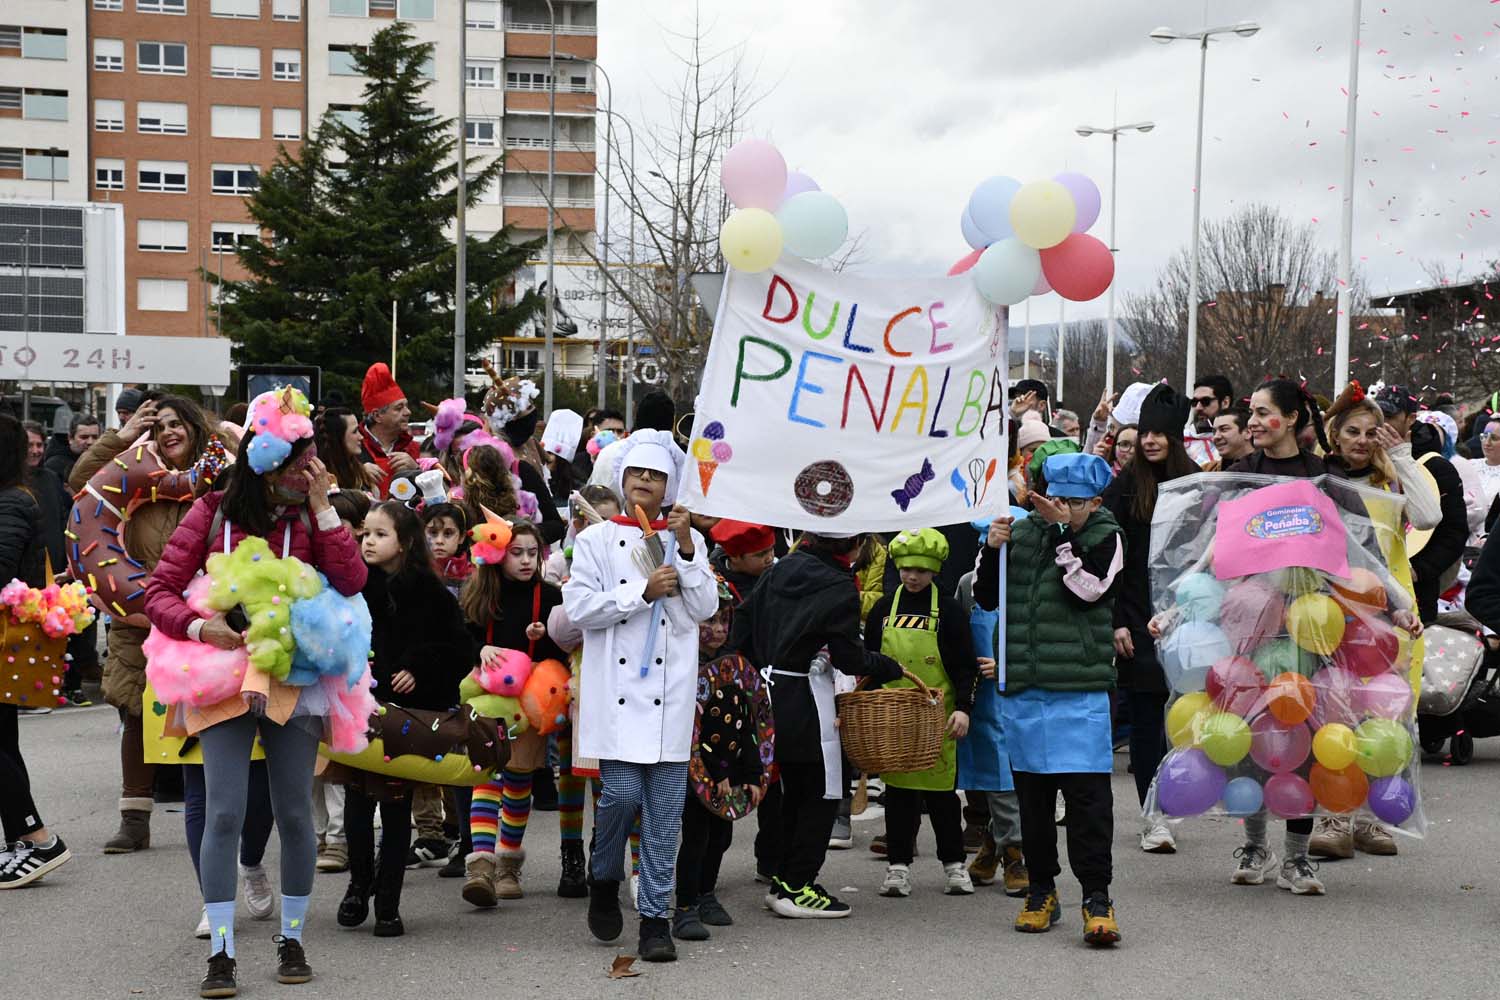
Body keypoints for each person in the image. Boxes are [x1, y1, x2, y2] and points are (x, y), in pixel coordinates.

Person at [146, 387, 367, 997]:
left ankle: (292, 939)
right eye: (302, 460)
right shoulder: (212, 510)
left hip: (294, 673)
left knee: (296, 813)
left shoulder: (310, 515)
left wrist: (324, 506)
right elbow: (158, 591)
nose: (311, 469)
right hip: (221, 674)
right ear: (269, 459)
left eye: (314, 459)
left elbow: (352, 579)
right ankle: (220, 951)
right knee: (223, 812)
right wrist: (200, 626)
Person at [565, 429, 719, 960]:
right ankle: (603, 873)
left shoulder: (684, 543)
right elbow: (580, 609)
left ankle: (656, 920)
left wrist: (688, 549)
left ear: (669, 485)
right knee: (622, 798)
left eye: (655, 477)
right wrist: (640, 592)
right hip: (616, 696)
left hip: (671, 697)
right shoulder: (596, 540)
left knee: (664, 817)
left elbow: (703, 608)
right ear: (623, 478)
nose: (644, 484)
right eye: (637, 475)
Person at [975, 452, 1125, 946]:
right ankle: (1041, 890)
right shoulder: (1018, 532)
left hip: (1079, 691)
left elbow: (1089, 591)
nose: (1062, 507)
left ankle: (1096, 897)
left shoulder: (1105, 535)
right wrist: (991, 549)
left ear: (1095, 501)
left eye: (1075, 502)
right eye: (1056, 498)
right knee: (1033, 804)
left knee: (1087, 804)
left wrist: (1063, 535)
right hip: (1025, 689)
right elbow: (989, 598)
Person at [68, 395, 220, 854]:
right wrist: (126, 435)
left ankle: (214, 809)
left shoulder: (220, 476)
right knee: (134, 710)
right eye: (162, 426)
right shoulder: (136, 468)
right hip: (137, 612)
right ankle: (134, 818)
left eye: (178, 424)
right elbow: (80, 483)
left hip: (202, 614)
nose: (169, 432)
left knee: (207, 710)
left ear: (195, 428)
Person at [731, 528, 904, 920]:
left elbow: (743, 622)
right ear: (855, 545)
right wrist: (887, 666)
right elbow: (849, 657)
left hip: (765, 691)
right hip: (806, 696)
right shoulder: (839, 585)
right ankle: (797, 885)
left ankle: (782, 876)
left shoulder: (780, 568)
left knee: (791, 791)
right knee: (824, 793)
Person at [1309, 381, 1441, 860]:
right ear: (1335, 435)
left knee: (1385, 714)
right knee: (1335, 711)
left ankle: (1369, 818)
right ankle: (1334, 815)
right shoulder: (1321, 482)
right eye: (1353, 431)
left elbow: (1428, 517)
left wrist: (1402, 456)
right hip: (1330, 614)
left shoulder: (1389, 481)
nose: (1362, 440)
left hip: (1390, 617)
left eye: (1371, 432)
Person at [338, 501, 472, 938]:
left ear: (405, 542)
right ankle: (359, 885)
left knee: (396, 811)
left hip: (407, 719)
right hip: (361, 707)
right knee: (358, 806)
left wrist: (419, 666)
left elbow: (457, 649)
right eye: (366, 534)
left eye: (380, 534)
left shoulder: (430, 592)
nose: (369, 541)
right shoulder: (357, 587)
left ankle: (389, 902)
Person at [1224, 378, 1329, 895]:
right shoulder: (1238, 475)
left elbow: (1350, 551)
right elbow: (1210, 548)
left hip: (1309, 625)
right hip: (1251, 625)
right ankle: (1254, 844)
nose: (1253, 422)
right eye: (1250, 412)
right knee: (1250, 733)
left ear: (1290, 418)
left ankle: (1298, 857)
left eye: (1263, 412)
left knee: (1300, 733)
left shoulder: (1322, 477)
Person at [1101, 384, 1196, 854]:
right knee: (1142, 718)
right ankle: (1152, 814)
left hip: (1188, 615)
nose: (1151, 440)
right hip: (1136, 614)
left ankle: (1179, 797)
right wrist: (1117, 619)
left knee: (1180, 716)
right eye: (1145, 433)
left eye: (1161, 433)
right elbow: (1108, 556)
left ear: (1176, 437)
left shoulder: (1196, 483)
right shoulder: (1123, 485)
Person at [866, 528, 979, 899]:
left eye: (920, 570)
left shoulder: (948, 611)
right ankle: (898, 867)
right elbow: (868, 665)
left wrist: (963, 709)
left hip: (938, 719)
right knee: (898, 796)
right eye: (906, 569)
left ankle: (954, 865)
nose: (912, 577)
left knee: (943, 797)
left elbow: (965, 667)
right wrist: (859, 706)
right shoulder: (883, 609)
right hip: (893, 718)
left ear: (934, 572)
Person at [460, 519, 567, 907]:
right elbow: (460, 637)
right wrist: (479, 651)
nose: (525, 561)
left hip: (530, 704)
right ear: (498, 555)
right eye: (516, 553)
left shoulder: (551, 596)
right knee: (487, 779)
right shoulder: (480, 594)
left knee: (519, 782)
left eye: (532, 553)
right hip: (488, 702)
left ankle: (508, 863)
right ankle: (482, 867)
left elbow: (565, 650)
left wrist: (548, 637)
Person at [0, 413, 73, 889]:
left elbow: (2, 567)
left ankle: (38, 837)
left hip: (3, 638)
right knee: (4, 743)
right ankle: (24, 840)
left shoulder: (10, 501)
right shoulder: (15, 497)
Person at [670, 578, 762, 941]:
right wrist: (716, 770)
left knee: (721, 836)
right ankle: (686, 904)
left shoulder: (736, 667)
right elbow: (692, 729)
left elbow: (750, 725)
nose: (719, 629)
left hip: (731, 772)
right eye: (710, 621)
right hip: (696, 771)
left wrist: (752, 773)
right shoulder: (682, 668)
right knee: (697, 836)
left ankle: (708, 893)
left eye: (725, 620)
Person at [313, 491, 372, 877]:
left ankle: (339, 837)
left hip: (346, 672)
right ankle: (319, 833)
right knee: (309, 760)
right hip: (310, 664)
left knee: (338, 754)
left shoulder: (359, 569)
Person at [1374, 385, 1467, 623]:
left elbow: (1454, 533)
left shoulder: (1436, 466)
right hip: (1368, 589)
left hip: (1415, 593)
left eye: (1391, 417)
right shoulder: (1365, 456)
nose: (1382, 424)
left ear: (1410, 419)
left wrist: (1418, 571)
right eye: (1378, 416)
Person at [359, 363, 419, 497]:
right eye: (399, 408)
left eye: (406, 406)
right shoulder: (353, 447)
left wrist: (416, 470)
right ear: (377, 416)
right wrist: (357, 474)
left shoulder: (414, 449)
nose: (408, 412)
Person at [709, 519, 776, 604]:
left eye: (772, 549)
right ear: (735, 557)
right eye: (761, 555)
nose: (770, 558)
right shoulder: (712, 585)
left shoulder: (778, 574)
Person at [315, 408, 377, 494]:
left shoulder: (362, 472)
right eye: (355, 431)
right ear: (338, 438)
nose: (361, 437)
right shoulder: (321, 480)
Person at [1186, 375, 1234, 465]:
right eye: (1194, 402)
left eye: (1205, 401)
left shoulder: (1240, 442)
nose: (1198, 407)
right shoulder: (1181, 441)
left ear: (1225, 402)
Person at [44, 412, 101, 486]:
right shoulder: (54, 466)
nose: (90, 442)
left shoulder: (104, 461)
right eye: (84, 437)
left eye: (95, 437)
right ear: (70, 438)